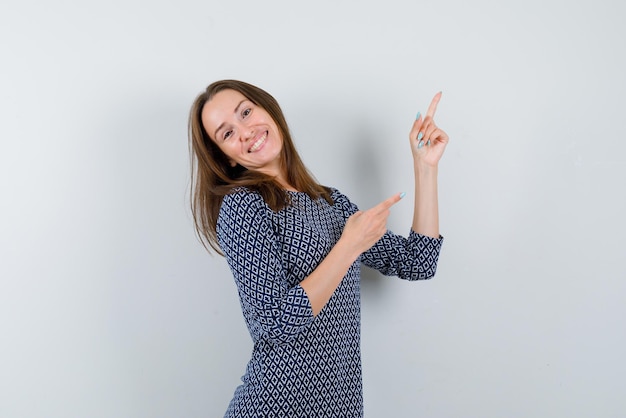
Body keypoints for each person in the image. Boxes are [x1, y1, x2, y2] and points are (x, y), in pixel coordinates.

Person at [188, 79, 447, 417]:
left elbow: (419, 262)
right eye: (226, 133)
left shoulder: (331, 203)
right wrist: (348, 246)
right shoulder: (243, 205)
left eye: (246, 112)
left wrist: (425, 167)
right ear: (225, 159)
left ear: (268, 109)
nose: (245, 131)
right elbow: (273, 324)